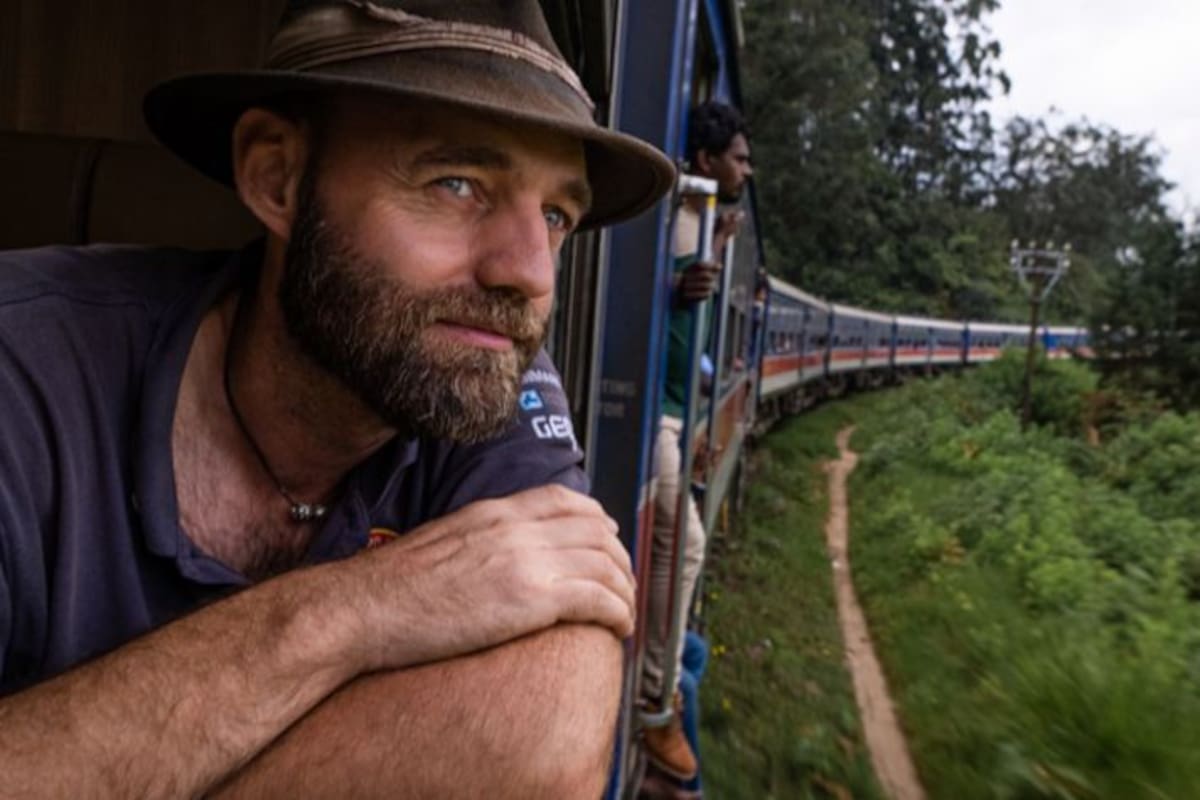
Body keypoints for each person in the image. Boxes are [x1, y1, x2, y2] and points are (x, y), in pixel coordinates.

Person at [0, 2, 676, 797]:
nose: (529, 273)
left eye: (558, 214)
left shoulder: (473, 374)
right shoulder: (25, 367)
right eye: (457, 183)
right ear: (276, 177)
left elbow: (550, 731)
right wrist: (355, 612)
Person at [641, 101, 752, 783]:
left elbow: (698, 338)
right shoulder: (678, 215)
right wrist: (693, 274)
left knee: (683, 555)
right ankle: (657, 702)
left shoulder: (710, 224)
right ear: (707, 160)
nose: (748, 167)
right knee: (682, 547)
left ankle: (664, 690)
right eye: (739, 156)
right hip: (652, 412)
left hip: (680, 412)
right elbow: (651, 293)